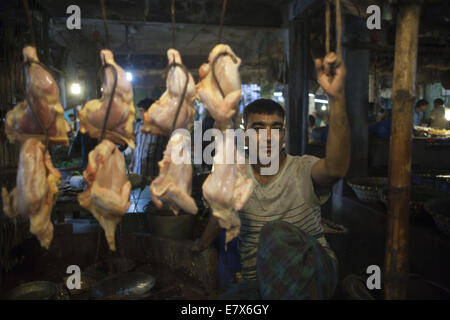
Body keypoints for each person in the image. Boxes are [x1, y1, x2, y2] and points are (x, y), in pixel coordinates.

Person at [192, 52, 350, 299]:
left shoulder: (303, 168)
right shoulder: (236, 174)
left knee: (274, 233)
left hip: (311, 273)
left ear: (283, 135)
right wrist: (200, 246)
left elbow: (336, 169)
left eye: (275, 129)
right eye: (258, 129)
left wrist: (337, 99)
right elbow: (220, 215)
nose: (268, 137)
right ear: (245, 137)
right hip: (259, 283)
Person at [130, 98, 155, 176]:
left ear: (148, 111)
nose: (139, 113)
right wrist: (132, 162)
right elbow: (135, 146)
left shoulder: (158, 128)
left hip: (152, 171)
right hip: (137, 168)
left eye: (141, 110)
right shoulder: (138, 125)